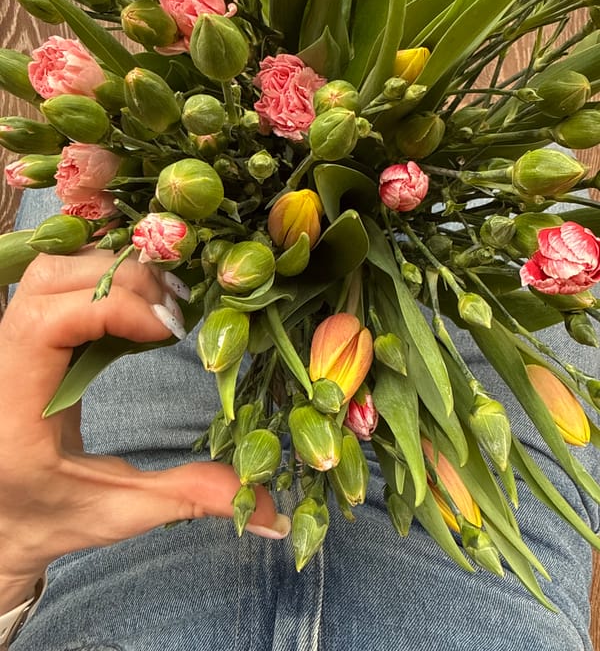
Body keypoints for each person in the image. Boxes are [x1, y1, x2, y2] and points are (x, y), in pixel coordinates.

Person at [0, 186, 598, 651]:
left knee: (107, 186)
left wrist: (10, 555)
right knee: (504, 209)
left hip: (119, 506)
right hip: (449, 497)